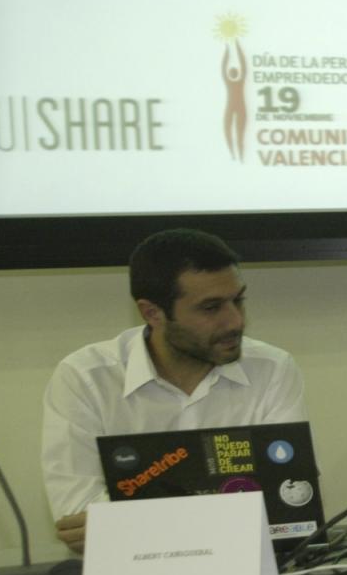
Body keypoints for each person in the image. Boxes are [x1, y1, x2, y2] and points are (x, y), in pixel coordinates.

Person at [41, 229, 307, 551]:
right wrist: (228, 514)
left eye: (238, 300)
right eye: (211, 308)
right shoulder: (85, 379)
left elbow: (289, 501)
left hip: (250, 562)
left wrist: (127, 522)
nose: (235, 321)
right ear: (152, 313)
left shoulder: (273, 368)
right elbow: (78, 519)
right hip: (132, 573)